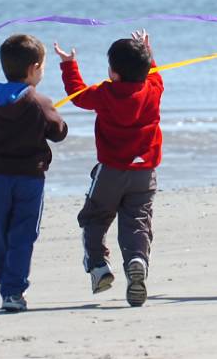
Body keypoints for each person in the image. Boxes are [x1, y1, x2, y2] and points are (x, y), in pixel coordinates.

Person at [54, 29, 164, 307]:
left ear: (113, 73)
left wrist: (69, 65)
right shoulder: (153, 89)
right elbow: (154, 75)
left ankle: (98, 266)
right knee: (137, 220)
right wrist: (148, 54)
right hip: (144, 173)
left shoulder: (105, 93)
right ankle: (137, 260)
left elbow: (78, 95)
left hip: (111, 171)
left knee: (94, 217)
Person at [0, 34, 68, 312]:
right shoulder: (38, 101)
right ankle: (12, 289)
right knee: (22, 232)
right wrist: (55, 118)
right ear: (34, 68)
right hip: (28, 179)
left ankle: (6, 275)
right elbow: (58, 132)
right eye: (43, 67)